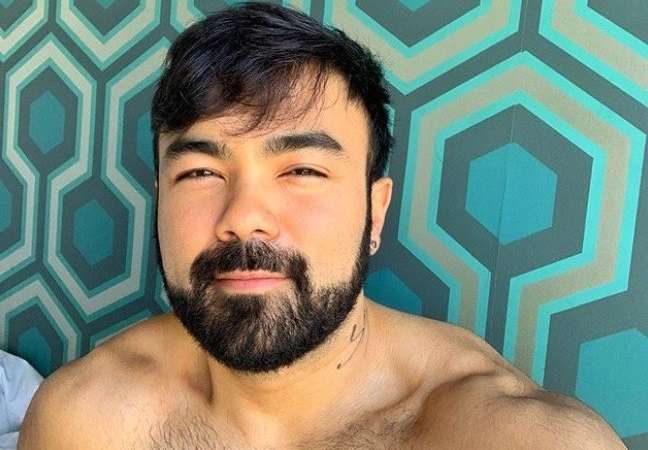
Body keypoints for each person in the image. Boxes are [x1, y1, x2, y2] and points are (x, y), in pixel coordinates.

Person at [18, 3, 626, 449]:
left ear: (375, 213)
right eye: (200, 172)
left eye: (302, 169)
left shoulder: (519, 438)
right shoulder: (85, 420)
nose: (243, 218)